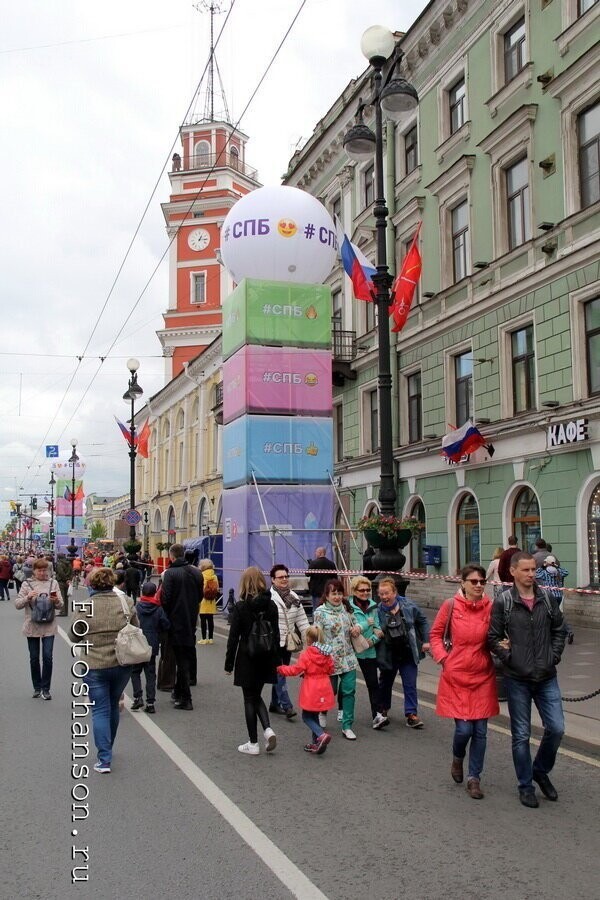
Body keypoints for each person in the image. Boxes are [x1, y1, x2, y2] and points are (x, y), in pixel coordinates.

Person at [488, 552, 566, 808]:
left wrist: (553, 656)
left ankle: (540, 770)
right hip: (517, 678)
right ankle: (525, 785)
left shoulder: (546, 597)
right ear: (513, 572)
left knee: (556, 728)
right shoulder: (504, 602)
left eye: (533, 569)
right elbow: (493, 637)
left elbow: (559, 629)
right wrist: (509, 657)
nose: (531, 574)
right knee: (521, 735)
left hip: (546, 675)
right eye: (526, 570)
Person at [430, 565, 499, 800]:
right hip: (456, 675)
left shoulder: (491, 607)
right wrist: (444, 659)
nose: (479, 585)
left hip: (483, 676)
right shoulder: (450, 606)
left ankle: (474, 778)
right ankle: (458, 758)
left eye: (482, 581)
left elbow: (498, 635)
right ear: (463, 583)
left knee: (480, 732)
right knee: (464, 729)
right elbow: (435, 635)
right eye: (474, 581)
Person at [69, 568, 138, 773]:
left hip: (95, 664)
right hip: (121, 663)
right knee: (113, 703)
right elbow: (136, 628)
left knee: (100, 709)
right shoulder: (126, 603)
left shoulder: (86, 606)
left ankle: (104, 758)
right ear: (113, 583)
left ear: (92, 585)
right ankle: (109, 747)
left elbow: (74, 636)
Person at [224, 566, 279, 755]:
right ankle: (268, 729)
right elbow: (276, 635)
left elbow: (233, 638)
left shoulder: (241, 606)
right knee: (257, 695)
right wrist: (277, 660)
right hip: (266, 655)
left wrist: (229, 664)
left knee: (249, 698)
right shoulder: (271, 605)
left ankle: (253, 743)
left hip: (247, 656)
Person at [376, 577, 430, 729]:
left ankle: (411, 714)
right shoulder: (377, 610)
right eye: (381, 594)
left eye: (387, 593)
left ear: (395, 592)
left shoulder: (408, 605)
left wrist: (426, 641)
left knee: (410, 684)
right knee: (385, 683)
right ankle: (383, 709)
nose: (384, 597)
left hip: (407, 651)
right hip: (389, 652)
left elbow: (423, 621)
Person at [314, 579, 361, 740]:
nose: (337, 597)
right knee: (330, 691)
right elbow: (316, 637)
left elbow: (356, 623)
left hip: (348, 658)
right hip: (329, 660)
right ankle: (322, 711)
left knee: (349, 691)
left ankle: (347, 726)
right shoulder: (320, 612)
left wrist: (357, 628)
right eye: (333, 593)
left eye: (339, 593)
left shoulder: (347, 609)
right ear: (326, 595)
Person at [277, 624, 335, 754]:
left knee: (306, 716)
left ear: (308, 639)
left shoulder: (307, 654)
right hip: (324, 686)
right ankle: (317, 743)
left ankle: (321, 735)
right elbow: (331, 669)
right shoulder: (326, 653)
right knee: (314, 715)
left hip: (312, 687)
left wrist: (281, 669)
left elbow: (296, 670)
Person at [160, 544, 203, 710]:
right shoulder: (197, 572)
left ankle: (186, 698)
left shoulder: (170, 573)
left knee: (181, 660)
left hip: (175, 622)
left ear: (171, 556)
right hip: (191, 620)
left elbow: (166, 599)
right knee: (185, 655)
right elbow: (200, 596)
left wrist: (168, 618)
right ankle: (178, 692)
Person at [15, 558, 63, 699]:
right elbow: (17, 604)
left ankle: (46, 688)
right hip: (32, 625)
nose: (43, 573)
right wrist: (27, 597)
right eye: (40, 570)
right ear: (34, 571)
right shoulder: (27, 584)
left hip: (49, 625)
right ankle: (37, 687)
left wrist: (56, 601)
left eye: (45, 570)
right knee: (34, 658)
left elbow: (60, 605)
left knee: (48, 657)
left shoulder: (53, 584)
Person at [269, 563, 310, 719]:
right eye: (280, 577)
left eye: (286, 576)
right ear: (273, 580)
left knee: (281, 672)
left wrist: (309, 641)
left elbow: (302, 620)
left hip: (288, 642)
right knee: (280, 673)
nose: (284, 579)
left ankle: (274, 703)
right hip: (274, 642)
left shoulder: (293, 596)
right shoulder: (269, 598)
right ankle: (287, 706)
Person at [348, 576, 387, 729]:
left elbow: (378, 629)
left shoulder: (373, 606)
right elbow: (349, 630)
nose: (365, 593)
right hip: (351, 651)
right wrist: (364, 625)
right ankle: (342, 710)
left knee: (373, 684)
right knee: (347, 686)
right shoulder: (347, 606)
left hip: (368, 650)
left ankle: (377, 715)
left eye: (368, 590)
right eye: (361, 590)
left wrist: (371, 641)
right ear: (354, 591)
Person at [130, 581, 170, 714]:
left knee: (135, 671)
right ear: (154, 593)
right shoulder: (158, 609)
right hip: (151, 643)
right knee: (150, 673)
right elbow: (165, 624)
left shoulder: (137, 608)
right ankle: (150, 702)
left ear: (142, 593)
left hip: (137, 642)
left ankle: (138, 697)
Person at [535, 555, 574, 644]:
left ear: (546, 563)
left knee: (548, 614)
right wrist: (557, 566)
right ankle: (568, 631)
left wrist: (542, 566)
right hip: (558, 595)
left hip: (549, 596)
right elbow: (566, 572)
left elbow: (536, 574)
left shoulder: (544, 572)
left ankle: (550, 634)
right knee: (557, 614)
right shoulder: (558, 571)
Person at [306, 547, 337, 612]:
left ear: (320, 553)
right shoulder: (331, 564)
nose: (315, 554)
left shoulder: (314, 563)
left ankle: (316, 621)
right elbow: (335, 577)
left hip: (316, 591)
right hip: (328, 590)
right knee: (328, 609)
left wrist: (310, 565)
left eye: (316, 552)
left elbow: (307, 574)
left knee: (316, 609)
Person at [198, 558, 219, 645]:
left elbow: (199, 588)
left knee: (203, 620)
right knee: (210, 620)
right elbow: (217, 588)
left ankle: (203, 639)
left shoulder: (201, 575)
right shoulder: (214, 576)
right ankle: (211, 638)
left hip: (203, 600)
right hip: (211, 601)